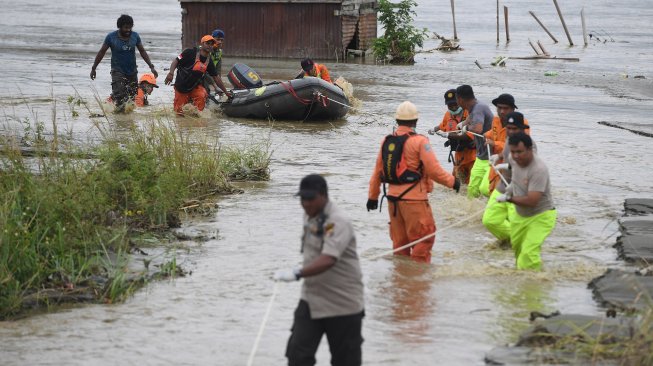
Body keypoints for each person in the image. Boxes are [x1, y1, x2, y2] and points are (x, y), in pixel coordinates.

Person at [274, 174, 365, 366]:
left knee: (345, 361)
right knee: (297, 356)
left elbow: (328, 259)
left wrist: (297, 273)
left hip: (343, 303)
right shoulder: (310, 215)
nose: (306, 203)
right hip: (312, 299)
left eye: (310, 198)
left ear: (323, 195)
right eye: (302, 199)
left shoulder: (337, 221)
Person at [368, 101, 460, 263]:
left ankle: (401, 281)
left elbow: (377, 172)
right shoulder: (420, 141)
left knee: (400, 246)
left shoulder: (387, 141)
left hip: (393, 201)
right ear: (415, 121)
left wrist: (372, 198)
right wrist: (453, 182)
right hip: (415, 201)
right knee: (424, 240)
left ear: (397, 121)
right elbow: (433, 170)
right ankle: (417, 282)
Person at [499, 131, 556, 270]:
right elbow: (513, 170)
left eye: (520, 152)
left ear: (530, 149)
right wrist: (510, 184)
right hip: (520, 215)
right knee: (518, 252)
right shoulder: (514, 159)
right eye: (513, 152)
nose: (517, 156)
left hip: (541, 216)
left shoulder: (538, 169)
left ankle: (534, 287)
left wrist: (509, 198)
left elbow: (532, 201)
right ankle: (520, 284)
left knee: (528, 254)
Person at [91, 14, 158, 112]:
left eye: (130, 28)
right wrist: (94, 68)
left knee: (131, 97)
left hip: (132, 71)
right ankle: (120, 120)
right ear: (120, 27)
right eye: (126, 28)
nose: (128, 30)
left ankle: (126, 119)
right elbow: (101, 52)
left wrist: (151, 66)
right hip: (117, 70)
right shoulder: (111, 37)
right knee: (120, 95)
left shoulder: (135, 36)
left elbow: (142, 51)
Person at [482, 110, 530, 245]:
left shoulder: (528, 145)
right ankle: (511, 240)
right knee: (489, 220)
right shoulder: (509, 140)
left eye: (514, 129)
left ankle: (520, 242)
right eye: (508, 128)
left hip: (519, 191)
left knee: (516, 221)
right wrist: (498, 157)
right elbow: (505, 153)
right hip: (503, 186)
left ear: (521, 129)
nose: (510, 132)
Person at [164, 35, 231, 115]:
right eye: (207, 43)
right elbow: (176, 60)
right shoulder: (189, 52)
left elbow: (216, 78)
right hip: (181, 86)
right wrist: (171, 73)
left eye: (211, 44)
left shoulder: (209, 61)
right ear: (202, 44)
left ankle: (198, 121)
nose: (209, 46)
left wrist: (225, 92)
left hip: (195, 87)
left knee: (201, 96)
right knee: (179, 114)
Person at [428, 89, 476, 184]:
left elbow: (469, 135)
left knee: (471, 183)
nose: (453, 107)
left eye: (455, 104)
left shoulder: (470, 113)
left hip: (472, 155)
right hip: (459, 155)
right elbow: (443, 124)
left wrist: (449, 135)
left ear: (460, 101)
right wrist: (434, 129)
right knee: (456, 182)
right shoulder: (448, 114)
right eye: (450, 105)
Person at [455, 85, 494, 198]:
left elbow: (477, 128)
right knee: (472, 191)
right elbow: (471, 117)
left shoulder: (478, 108)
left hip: (491, 156)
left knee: (486, 189)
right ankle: (474, 212)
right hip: (481, 156)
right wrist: (463, 123)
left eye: (457, 99)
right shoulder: (475, 107)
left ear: (460, 99)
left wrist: (466, 128)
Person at [480, 93, 523, 196]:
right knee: (484, 189)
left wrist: (494, 143)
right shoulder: (495, 120)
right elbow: (493, 132)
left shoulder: (521, 124)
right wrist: (485, 135)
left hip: (510, 165)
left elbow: (518, 146)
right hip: (496, 161)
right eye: (499, 108)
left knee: (497, 193)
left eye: (506, 108)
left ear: (513, 109)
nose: (502, 111)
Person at [201, 29, 226, 97]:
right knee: (205, 91)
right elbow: (204, 71)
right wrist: (215, 86)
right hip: (200, 75)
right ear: (212, 39)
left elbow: (218, 71)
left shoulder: (219, 52)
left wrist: (220, 86)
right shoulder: (205, 50)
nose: (220, 42)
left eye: (221, 40)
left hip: (210, 73)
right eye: (217, 39)